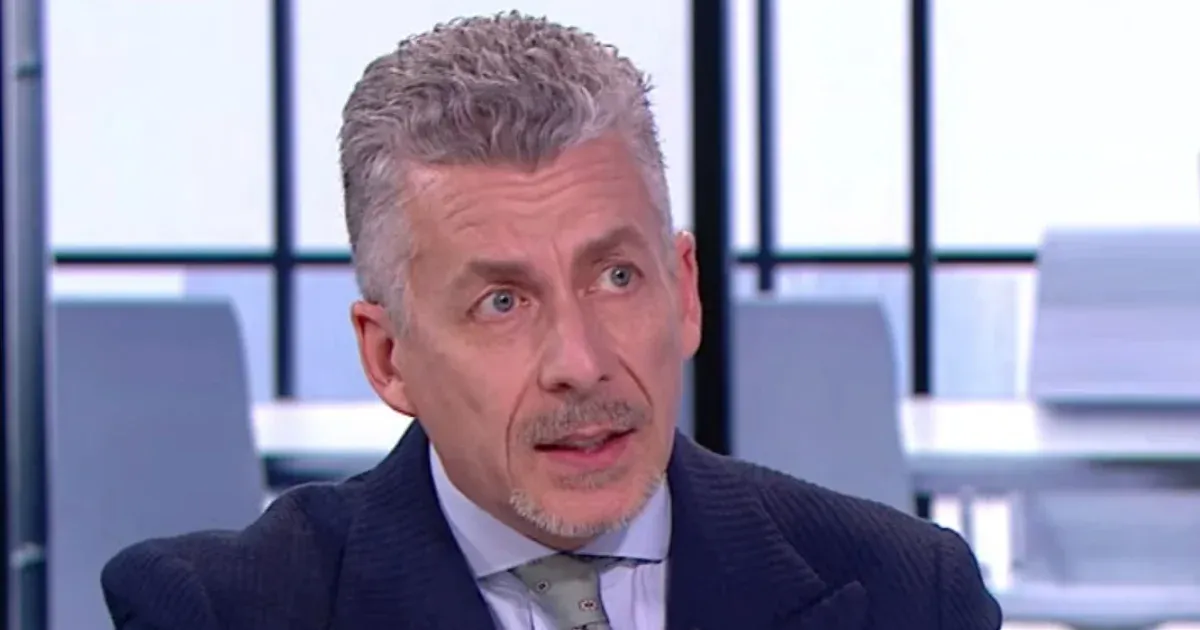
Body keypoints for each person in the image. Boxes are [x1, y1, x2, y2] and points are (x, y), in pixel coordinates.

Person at [101, 11, 1001, 630]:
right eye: (502, 302)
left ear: (685, 292)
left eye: (616, 277)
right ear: (389, 358)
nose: (581, 360)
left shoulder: (908, 593)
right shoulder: (224, 611)